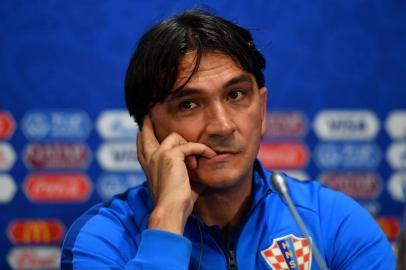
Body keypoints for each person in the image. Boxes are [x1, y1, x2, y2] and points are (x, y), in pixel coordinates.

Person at [61, 9, 395, 269]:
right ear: (148, 132)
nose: (222, 126)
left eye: (236, 95)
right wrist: (167, 219)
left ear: (262, 109)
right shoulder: (101, 240)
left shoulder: (333, 222)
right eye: (189, 104)